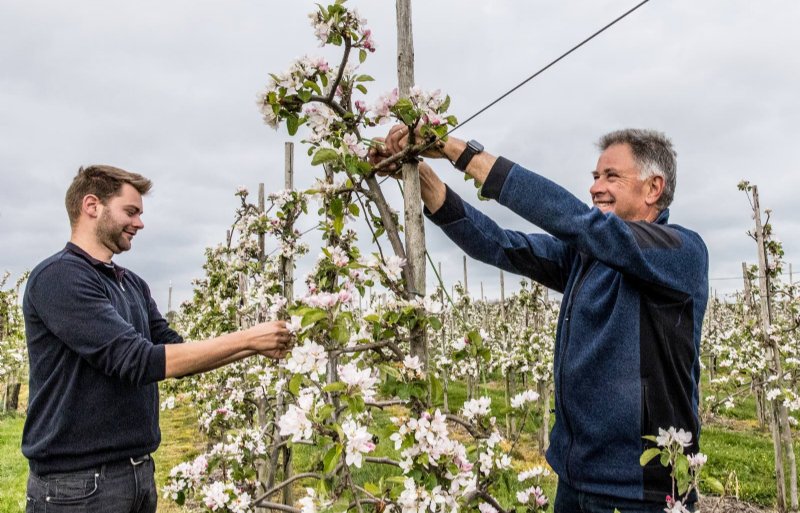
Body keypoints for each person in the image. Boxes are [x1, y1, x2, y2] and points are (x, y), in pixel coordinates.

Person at [371, 126, 708, 512]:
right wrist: (424, 182)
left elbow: (577, 222)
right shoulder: (588, 258)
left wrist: (461, 153)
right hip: (575, 478)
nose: (595, 187)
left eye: (611, 176)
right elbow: (501, 245)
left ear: (653, 188)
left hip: (640, 491)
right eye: (595, 177)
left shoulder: (681, 253)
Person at [22, 165, 292, 513]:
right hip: (76, 486)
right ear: (92, 206)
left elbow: (173, 353)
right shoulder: (59, 277)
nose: (139, 223)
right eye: (130, 211)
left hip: (136, 474)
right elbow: (135, 360)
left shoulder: (130, 283)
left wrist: (256, 346)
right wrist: (249, 339)